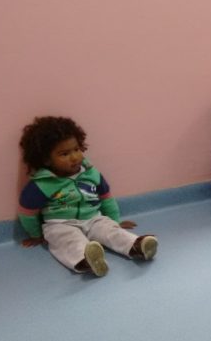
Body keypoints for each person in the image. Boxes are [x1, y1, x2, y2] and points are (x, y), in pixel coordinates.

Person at [18, 116, 158, 277]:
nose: (74, 157)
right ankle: (87, 259)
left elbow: (106, 198)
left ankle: (137, 246)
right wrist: (35, 235)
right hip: (60, 224)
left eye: (76, 149)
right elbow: (27, 213)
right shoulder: (42, 184)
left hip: (93, 218)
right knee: (67, 241)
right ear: (46, 160)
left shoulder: (91, 173)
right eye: (64, 154)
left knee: (110, 230)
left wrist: (115, 221)